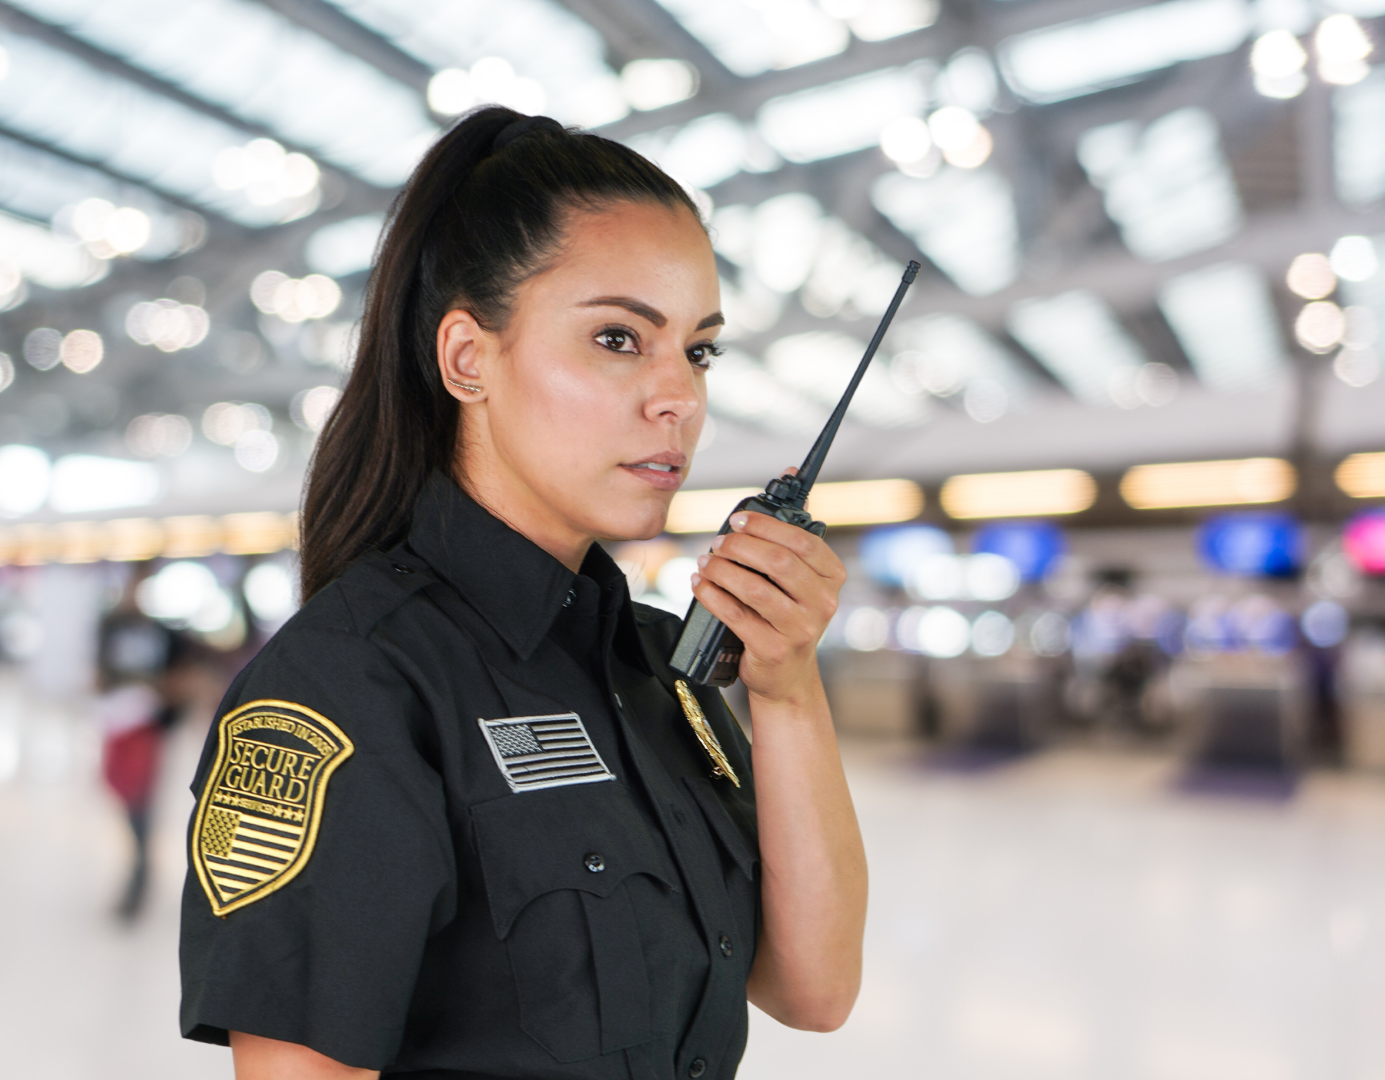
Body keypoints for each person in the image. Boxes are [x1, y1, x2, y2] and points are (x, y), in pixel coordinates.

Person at [179, 107, 868, 1080]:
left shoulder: (656, 670)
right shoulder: (352, 688)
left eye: (700, 349)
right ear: (468, 358)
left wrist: (788, 685)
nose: (679, 396)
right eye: (621, 338)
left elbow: (816, 988)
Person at [97, 562, 187, 920]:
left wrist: (160, 694)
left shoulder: (165, 634)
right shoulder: (111, 627)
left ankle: (140, 877)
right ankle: (139, 870)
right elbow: (99, 675)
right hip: (117, 724)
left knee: (142, 807)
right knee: (123, 795)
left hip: (148, 730)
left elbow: (183, 678)